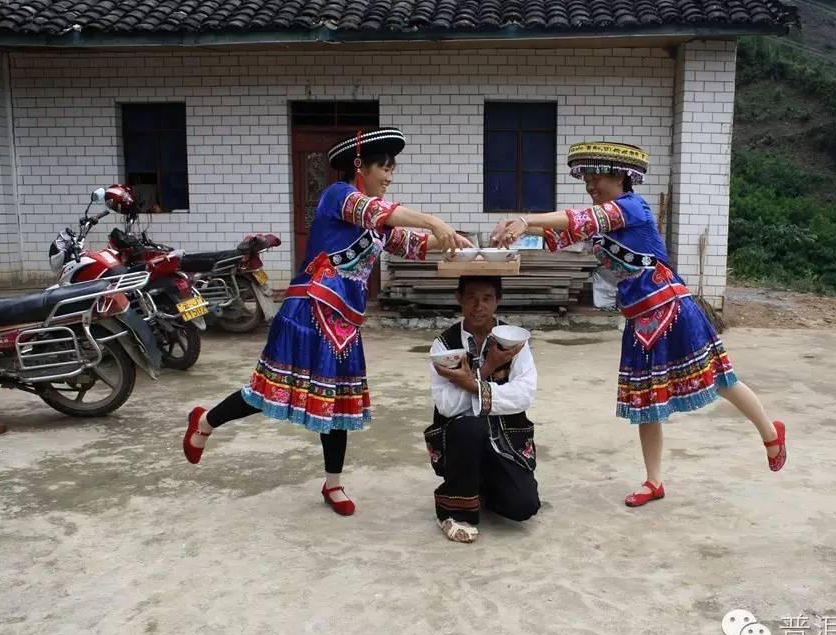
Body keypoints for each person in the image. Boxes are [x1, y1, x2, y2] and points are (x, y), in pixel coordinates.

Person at [182, 127, 471, 516]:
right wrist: (433, 220)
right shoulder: (338, 196)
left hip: (344, 323)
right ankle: (205, 422)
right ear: (360, 166)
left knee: (337, 403)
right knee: (270, 390)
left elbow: (413, 243)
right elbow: (377, 211)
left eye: (392, 169)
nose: (389, 176)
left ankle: (332, 483)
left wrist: (455, 240)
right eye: (384, 168)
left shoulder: (378, 223)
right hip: (308, 310)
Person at [490, 141, 787, 507]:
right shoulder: (602, 221)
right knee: (647, 401)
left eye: (597, 178)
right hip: (639, 320)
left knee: (720, 379)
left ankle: (770, 433)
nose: (591, 185)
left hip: (672, 309)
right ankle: (654, 481)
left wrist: (526, 219)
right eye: (587, 179)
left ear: (621, 177)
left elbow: (578, 219)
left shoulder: (631, 208)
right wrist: (513, 234)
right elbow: (558, 235)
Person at [424, 276, 540, 543]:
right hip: (460, 441)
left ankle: (480, 486)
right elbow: (447, 405)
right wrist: (486, 369)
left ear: (498, 300)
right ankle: (453, 511)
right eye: (471, 298)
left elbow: (524, 394)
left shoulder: (514, 341)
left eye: (487, 298)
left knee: (523, 507)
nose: (479, 306)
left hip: (504, 439)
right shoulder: (444, 345)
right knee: (469, 426)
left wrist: (468, 384)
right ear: (459, 299)